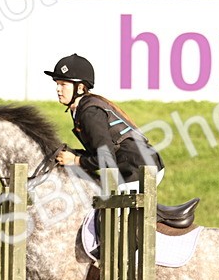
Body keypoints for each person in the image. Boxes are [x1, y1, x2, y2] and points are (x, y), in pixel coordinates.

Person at [46, 53, 163, 189]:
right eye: (57, 84)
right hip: (134, 165)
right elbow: (99, 153)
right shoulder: (81, 108)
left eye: (63, 84)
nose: (58, 89)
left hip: (139, 169)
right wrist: (72, 153)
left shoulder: (89, 113)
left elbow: (106, 159)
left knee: (103, 203)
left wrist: (75, 160)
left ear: (80, 87)